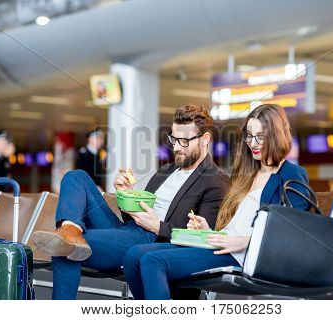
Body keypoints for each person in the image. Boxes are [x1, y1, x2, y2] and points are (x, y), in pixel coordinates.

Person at [31, 104, 229, 300]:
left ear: (205, 139)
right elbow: (135, 216)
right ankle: (70, 228)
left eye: (184, 141)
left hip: (152, 240)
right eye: (173, 139)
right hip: (129, 230)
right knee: (76, 177)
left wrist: (159, 227)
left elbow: (202, 238)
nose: (176, 147)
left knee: (64, 247)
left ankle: (69, 237)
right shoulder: (166, 171)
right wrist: (126, 196)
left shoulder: (215, 181)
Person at [122, 104, 312, 300]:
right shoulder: (248, 175)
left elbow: (292, 232)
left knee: (153, 261)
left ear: (276, 135)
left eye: (260, 136)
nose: (252, 143)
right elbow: (235, 225)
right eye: (248, 135)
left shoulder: (290, 174)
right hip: (220, 245)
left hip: (242, 255)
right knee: (134, 256)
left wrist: (244, 241)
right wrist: (208, 231)